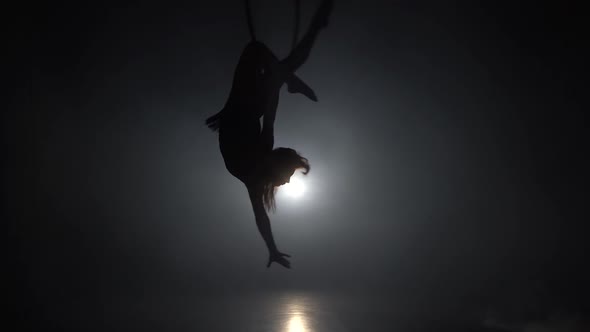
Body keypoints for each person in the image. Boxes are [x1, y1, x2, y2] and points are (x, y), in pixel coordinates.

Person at [205, 0, 333, 268]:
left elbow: (261, 217)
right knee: (289, 61)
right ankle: (314, 32)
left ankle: (297, 64)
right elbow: (271, 114)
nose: (287, 183)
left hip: (244, 100)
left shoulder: (253, 173)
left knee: (267, 54)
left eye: (287, 175)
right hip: (253, 101)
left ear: (275, 166)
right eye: (290, 175)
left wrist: (281, 81)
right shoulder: (261, 157)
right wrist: (280, 82)